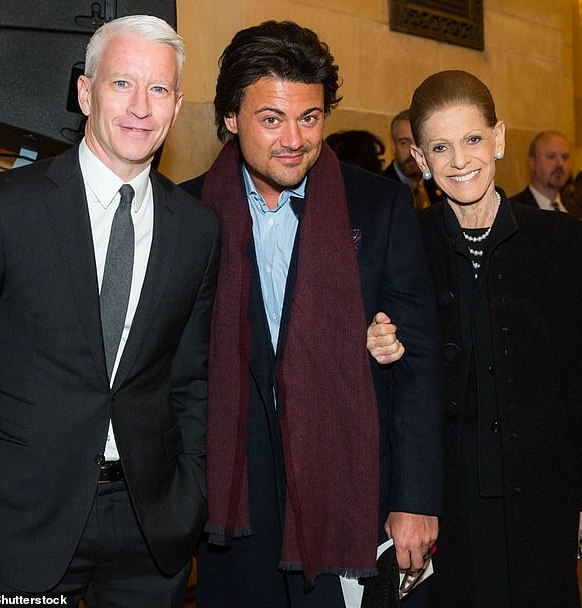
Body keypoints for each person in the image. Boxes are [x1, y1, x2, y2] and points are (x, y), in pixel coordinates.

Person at [0, 15, 219, 606]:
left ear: (176, 108)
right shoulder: (0, 208)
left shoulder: (197, 230)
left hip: (150, 526)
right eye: (122, 83)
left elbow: (192, 378)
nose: (140, 107)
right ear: (84, 92)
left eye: (159, 89)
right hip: (19, 516)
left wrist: (191, 486)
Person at [181, 20, 443, 608]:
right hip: (232, 508)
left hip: (350, 494)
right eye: (271, 119)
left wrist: (416, 497)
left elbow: (418, 366)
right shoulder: (186, 213)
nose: (294, 139)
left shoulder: (379, 206)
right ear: (229, 117)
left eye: (310, 117)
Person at [373, 69, 582, 607]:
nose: (460, 160)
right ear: (420, 160)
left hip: (542, 503)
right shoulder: (404, 243)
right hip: (445, 505)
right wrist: (374, 344)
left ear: (500, 138)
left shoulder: (560, 240)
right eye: (440, 147)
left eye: (472, 140)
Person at [509, 130, 582, 218]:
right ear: (533, 163)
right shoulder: (513, 210)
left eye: (565, 157)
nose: (560, 163)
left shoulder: (574, 209)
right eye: (551, 157)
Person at [382, 109, 442, 209]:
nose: (412, 151)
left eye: (418, 142)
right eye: (404, 143)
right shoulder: (382, 188)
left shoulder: (438, 183)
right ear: (393, 146)